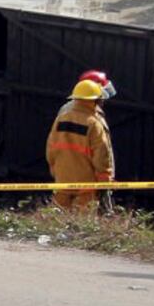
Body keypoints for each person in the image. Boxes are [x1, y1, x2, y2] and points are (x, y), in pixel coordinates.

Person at [46, 80, 114, 212]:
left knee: (58, 217)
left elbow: (50, 148)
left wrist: (54, 169)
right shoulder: (94, 124)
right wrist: (105, 178)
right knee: (81, 223)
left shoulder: (61, 119)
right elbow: (101, 155)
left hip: (62, 179)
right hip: (86, 184)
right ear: (96, 100)